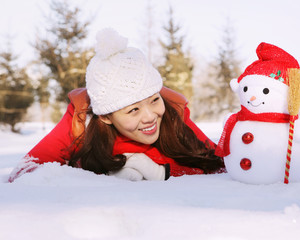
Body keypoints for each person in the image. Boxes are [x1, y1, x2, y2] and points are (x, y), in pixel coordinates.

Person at [8, 28, 224, 182]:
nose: (150, 116)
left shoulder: (173, 111)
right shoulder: (82, 120)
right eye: (133, 110)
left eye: (154, 100)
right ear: (106, 116)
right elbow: (24, 172)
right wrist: (98, 177)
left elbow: (222, 167)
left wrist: (161, 172)